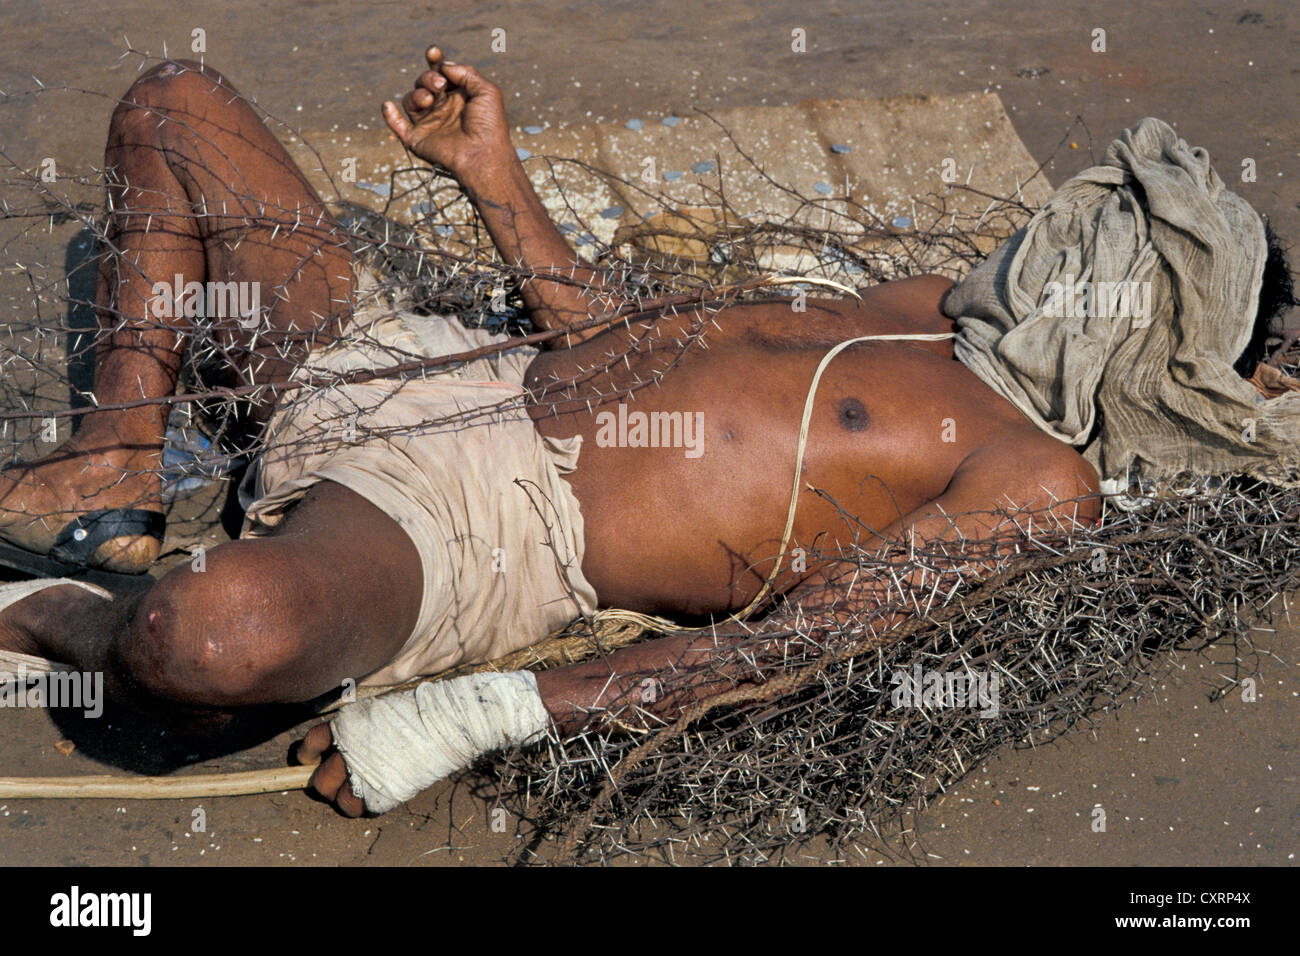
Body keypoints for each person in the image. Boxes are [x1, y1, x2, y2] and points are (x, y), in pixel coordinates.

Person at [0, 48, 1288, 816]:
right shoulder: (934, 311)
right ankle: (117, 470)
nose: (1071, 236)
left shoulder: (1037, 478)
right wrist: (495, 176)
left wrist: (476, 718)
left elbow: (785, 653)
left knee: (198, 637)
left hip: (481, 528)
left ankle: (58, 613)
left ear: (1165, 346)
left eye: (1124, 247)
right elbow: (629, 349)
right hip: (419, 361)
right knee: (174, 105)